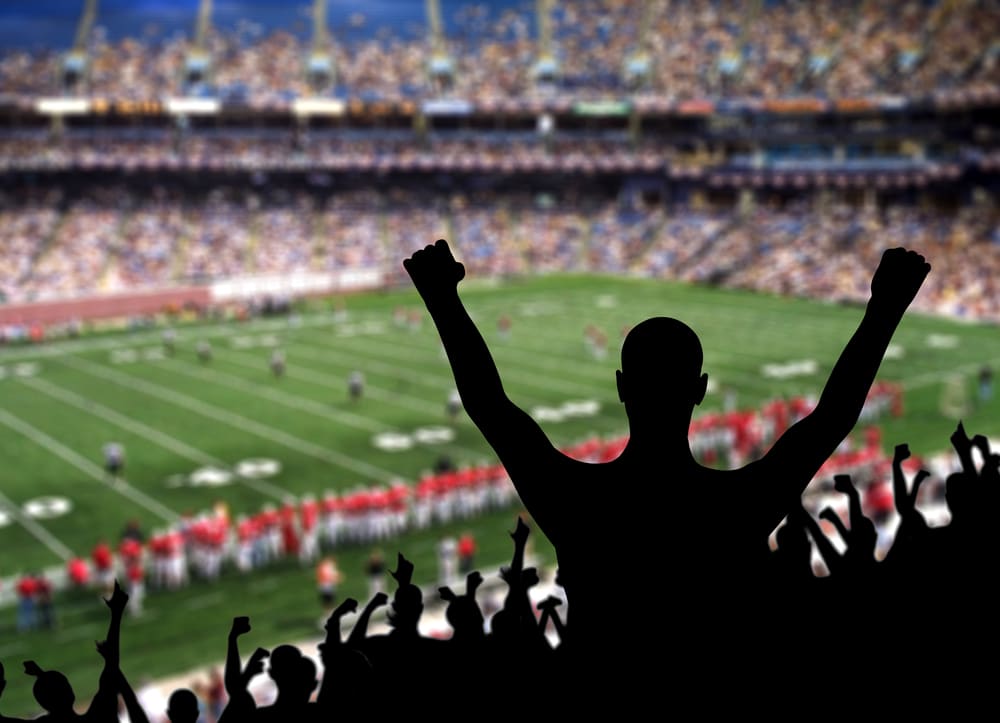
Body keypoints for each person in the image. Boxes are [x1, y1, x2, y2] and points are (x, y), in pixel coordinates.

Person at [405, 240, 930, 688]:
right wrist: (884, 309)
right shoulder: (738, 504)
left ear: (620, 388)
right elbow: (832, 417)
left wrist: (443, 301)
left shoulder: (576, 499)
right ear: (700, 392)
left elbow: (491, 407)